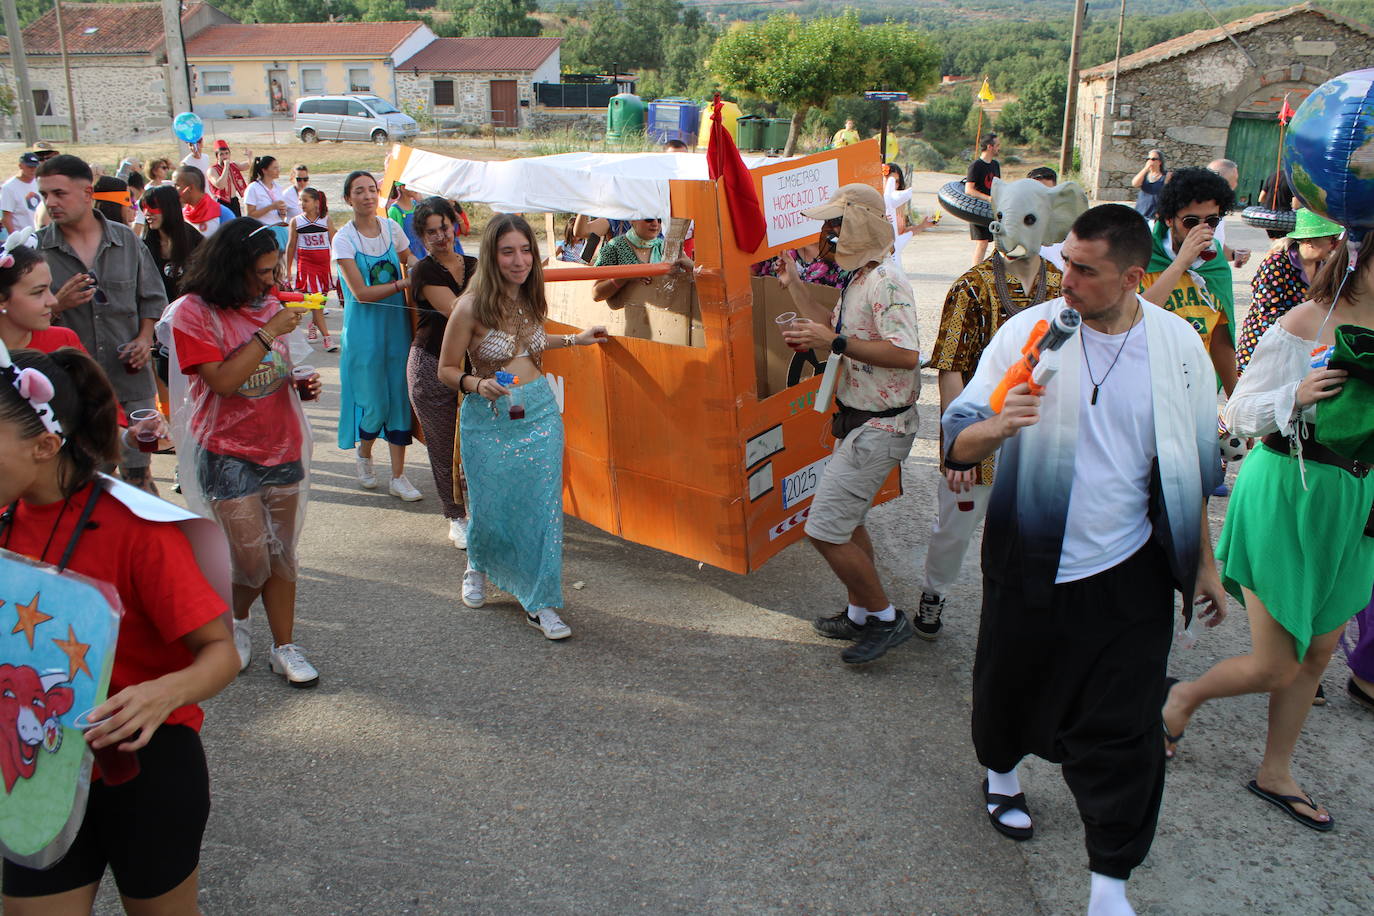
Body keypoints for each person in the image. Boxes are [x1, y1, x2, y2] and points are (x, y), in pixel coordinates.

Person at [943, 204, 1224, 916]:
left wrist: (1203, 563)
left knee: (1126, 727)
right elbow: (956, 437)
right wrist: (998, 426)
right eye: (1065, 260)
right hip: (1030, 555)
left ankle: (1109, 885)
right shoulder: (1031, 333)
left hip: (1132, 569)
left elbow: (1193, 466)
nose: (1064, 278)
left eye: (1084, 269)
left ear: (1132, 277)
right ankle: (1001, 774)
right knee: (1008, 686)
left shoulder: (1177, 346)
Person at [0, 343, 238, 913]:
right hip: (35, 768)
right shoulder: (6, 516)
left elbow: (220, 652)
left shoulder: (137, 529)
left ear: (44, 446)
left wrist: (162, 693)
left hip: (144, 765)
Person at [1161, 236, 1374, 831]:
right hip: (1288, 491)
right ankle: (1182, 698)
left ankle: (1276, 772)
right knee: (1278, 664)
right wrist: (1296, 395)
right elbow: (1239, 414)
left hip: (1356, 502)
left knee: (1320, 651)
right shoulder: (1306, 321)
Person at [166, 217, 323, 686]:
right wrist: (269, 331)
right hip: (225, 450)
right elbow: (222, 381)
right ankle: (232, 621)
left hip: (282, 442)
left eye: (275, 270)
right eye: (262, 272)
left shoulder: (270, 303)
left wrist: (299, 384)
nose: (271, 282)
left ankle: (284, 646)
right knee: (252, 560)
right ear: (232, 268)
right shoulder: (194, 312)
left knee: (282, 555)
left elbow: (274, 369)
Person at [437, 213, 607, 638]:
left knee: (542, 510)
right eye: (508, 252)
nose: (519, 260)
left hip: (540, 414)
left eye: (526, 250)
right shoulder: (470, 307)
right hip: (489, 419)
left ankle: (540, 600)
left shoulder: (531, 298)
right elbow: (446, 369)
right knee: (490, 505)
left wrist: (577, 339)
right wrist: (477, 384)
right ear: (491, 256)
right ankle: (477, 565)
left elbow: (530, 344)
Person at [776, 183, 922, 665]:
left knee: (824, 529)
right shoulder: (861, 278)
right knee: (848, 520)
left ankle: (884, 617)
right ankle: (860, 613)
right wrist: (794, 285)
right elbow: (833, 328)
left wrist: (834, 343)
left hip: (880, 427)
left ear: (859, 225)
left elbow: (905, 354)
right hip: (861, 422)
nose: (827, 234)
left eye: (834, 224)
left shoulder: (886, 281)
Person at [921, 215, 1063, 639]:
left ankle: (1028, 609)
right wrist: (957, 449)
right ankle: (934, 591)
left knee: (1035, 529)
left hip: (1040, 433)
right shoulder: (971, 286)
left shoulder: (1062, 285)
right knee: (955, 527)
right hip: (980, 429)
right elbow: (951, 368)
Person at [37, 155, 167, 492]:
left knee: (139, 480)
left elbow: (152, 299)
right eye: (44, 195)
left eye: (59, 193)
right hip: (73, 390)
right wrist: (57, 305)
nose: (50, 202)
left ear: (87, 193)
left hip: (131, 381)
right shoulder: (38, 251)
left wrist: (144, 338)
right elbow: (20, 322)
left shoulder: (126, 241)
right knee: (86, 484)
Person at [332, 170, 422, 500]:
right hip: (363, 332)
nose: (367, 196)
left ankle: (399, 477)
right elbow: (361, 293)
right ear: (348, 199)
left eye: (372, 189)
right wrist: (403, 283)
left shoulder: (391, 228)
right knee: (374, 405)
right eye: (359, 191)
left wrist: (421, 268)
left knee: (399, 400)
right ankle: (365, 453)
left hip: (396, 328)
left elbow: (409, 258)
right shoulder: (343, 239)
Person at [408, 197, 477, 548]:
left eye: (444, 227)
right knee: (444, 446)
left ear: (455, 226)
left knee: (476, 444)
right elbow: (458, 312)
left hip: (474, 369)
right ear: (422, 237)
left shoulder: (476, 264)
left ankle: (479, 511)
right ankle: (456, 517)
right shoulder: (423, 271)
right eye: (431, 232)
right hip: (431, 367)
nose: (440, 236)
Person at [1140, 166, 1239, 396]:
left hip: (1194, 386)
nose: (1202, 230)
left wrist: (1235, 400)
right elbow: (1133, 320)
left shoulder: (1215, 263)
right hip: (1148, 384)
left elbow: (1220, 338)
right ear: (1168, 219)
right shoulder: (1143, 255)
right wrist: (1180, 264)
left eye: (1212, 221)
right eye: (1191, 221)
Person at [1236, 208, 1342, 374]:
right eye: (1331, 239)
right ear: (1309, 240)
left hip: (1300, 350)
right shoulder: (1277, 263)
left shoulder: (1325, 266)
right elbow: (1269, 314)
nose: (1335, 245)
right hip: (1266, 351)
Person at [0, 232, 84, 354]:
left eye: (49, 288)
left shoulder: (63, 341)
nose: (53, 301)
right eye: (38, 292)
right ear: (2, 300)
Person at [590, 217, 691, 301]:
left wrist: (690, 267)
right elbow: (596, 294)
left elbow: (690, 275)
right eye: (649, 219)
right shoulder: (614, 246)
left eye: (659, 220)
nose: (655, 224)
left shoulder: (668, 248)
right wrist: (625, 277)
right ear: (633, 219)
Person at [284, 186, 336, 351]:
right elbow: (291, 246)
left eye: (305, 200)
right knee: (317, 303)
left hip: (323, 267)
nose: (302, 203)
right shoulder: (296, 221)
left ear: (316, 202)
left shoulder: (326, 220)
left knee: (320, 302)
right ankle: (327, 338)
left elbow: (335, 242)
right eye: (300, 200)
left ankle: (313, 325)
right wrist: (288, 271)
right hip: (307, 267)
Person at [965, 134, 1001, 265]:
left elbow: (998, 186)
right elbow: (969, 189)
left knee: (998, 243)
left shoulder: (995, 165)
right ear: (989, 146)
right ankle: (975, 271)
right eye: (997, 145)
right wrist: (988, 198)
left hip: (992, 210)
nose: (999, 148)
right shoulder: (976, 165)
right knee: (982, 243)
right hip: (977, 209)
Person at [242, 156, 288, 250]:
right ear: (264, 170)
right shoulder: (253, 188)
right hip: (263, 232)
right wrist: (271, 207)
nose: (278, 170)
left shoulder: (278, 188)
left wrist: (282, 212)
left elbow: (281, 216)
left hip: (279, 230)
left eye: (278, 167)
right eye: (274, 168)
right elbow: (250, 215)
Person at [175, 166, 235, 238]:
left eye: (177, 185)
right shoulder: (181, 215)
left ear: (190, 188)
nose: (174, 190)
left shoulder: (223, 214)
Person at [208, 139, 250, 217]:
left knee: (237, 222)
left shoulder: (232, 165)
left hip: (234, 201)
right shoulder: (212, 170)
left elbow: (246, 166)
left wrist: (249, 157)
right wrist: (226, 167)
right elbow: (220, 185)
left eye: (227, 153)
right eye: (221, 154)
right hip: (221, 202)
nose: (225, 156)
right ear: (217, 156)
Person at [1, 152, 41, 234]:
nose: (33, 170)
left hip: (40, 234)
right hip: (22, 235)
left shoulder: (40, 182)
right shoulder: (9, 187)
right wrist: (15, 238)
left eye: (35, 167)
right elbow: (7, 217)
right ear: (20, 166)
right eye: (29, 167)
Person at [1257, 170, 1297, 239]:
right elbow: (1295, 205)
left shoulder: (1272, 176)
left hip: (1268, 216)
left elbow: (1261, 198)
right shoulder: (1293, 179)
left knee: (1274, 240)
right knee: (1284, 242)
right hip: (1284, 218)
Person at [1131, 150, 1168, 220]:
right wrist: (1145, 169)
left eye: (1153, 159)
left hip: (1155, 216)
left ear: (1160, 162)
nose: (1150, 161)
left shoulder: (1166, 176)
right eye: (1148, 159)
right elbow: (1135, 184)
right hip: (1141, 213)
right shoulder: (1144, 175)